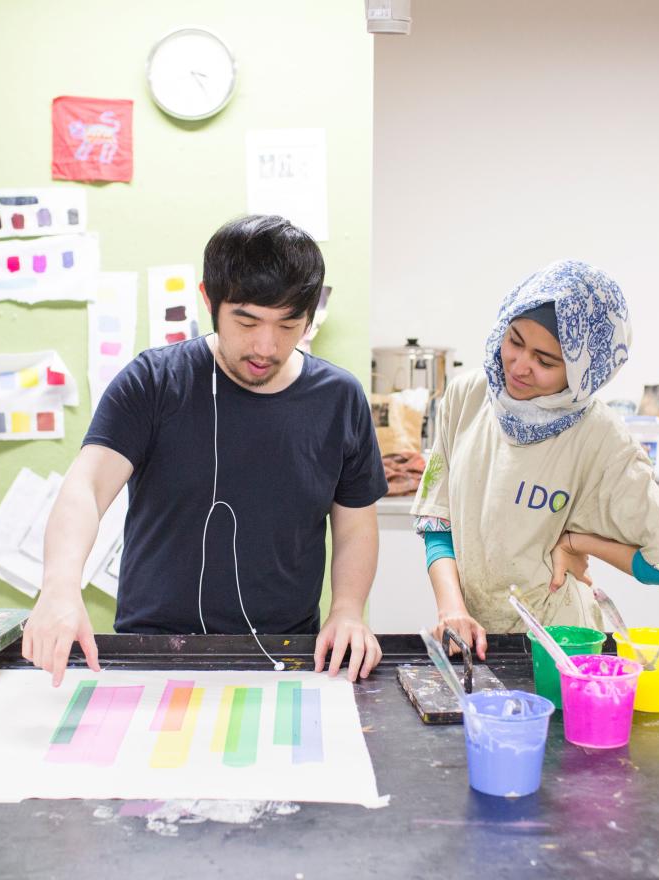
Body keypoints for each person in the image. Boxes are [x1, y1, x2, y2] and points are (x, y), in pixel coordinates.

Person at [22, 215, 388, 684]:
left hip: (288, 655)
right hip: (151, 653)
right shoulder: (153, 383)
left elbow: (356, 525)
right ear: (208, 300)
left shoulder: (339, 399)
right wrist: (58, 586)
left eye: (288, 324)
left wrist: (348, 610)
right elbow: (87, 487)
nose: (265, 345)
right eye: (247, 320)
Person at [411, 260, 659, 658]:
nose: (518, 367)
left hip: (563, 648)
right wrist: (452, 609)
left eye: (546, 361)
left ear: (582, 370)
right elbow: (438, 522)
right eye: (514, 341)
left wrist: (577, 542)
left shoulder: (601, 440)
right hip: (475, 641)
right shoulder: (468, 397)